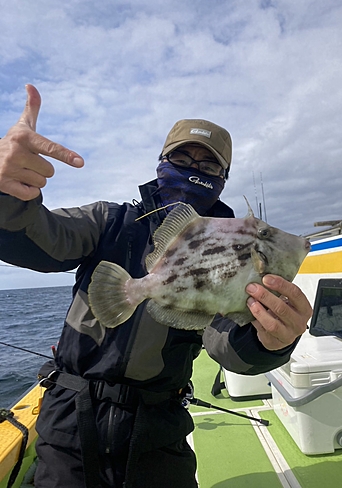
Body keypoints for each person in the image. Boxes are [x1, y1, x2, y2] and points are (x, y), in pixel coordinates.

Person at [0, 84, 312, 488]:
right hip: (69, 428)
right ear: (161, 162)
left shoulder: (231, 253)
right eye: (181, 157)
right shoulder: (109, 223)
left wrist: (271, 342)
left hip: (158, 434)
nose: (193, 169)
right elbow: (39, 237)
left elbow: (227, 342)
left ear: (222, 179)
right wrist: (8, 196)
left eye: (208, 165)